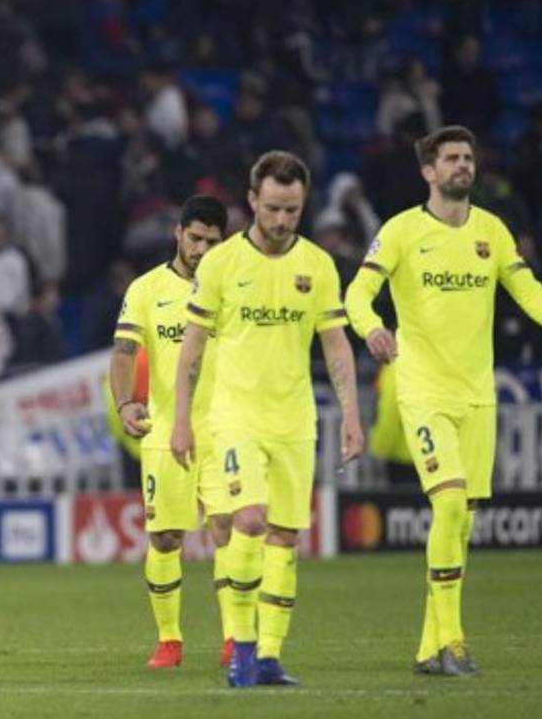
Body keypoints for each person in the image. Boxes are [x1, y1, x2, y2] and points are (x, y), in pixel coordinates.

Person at [344, 126, 542, 676]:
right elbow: (356, 293)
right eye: (451, 158)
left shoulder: (492, 231)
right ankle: (455, 641)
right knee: (447, 504)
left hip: (478, 397)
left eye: (468, 156)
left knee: (461, 521)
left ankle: (427, 648)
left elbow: (528, 290)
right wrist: (371, 327)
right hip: (422, 391)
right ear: (429, 171)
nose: (463, 165)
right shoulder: (400, 232)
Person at [172, 151, 364, 688]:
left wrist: (350, 414)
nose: (282, 221)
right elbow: (191, 351)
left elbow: (335, 345)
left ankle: (272, 656)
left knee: (285, 536)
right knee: (248, 521)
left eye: (293, 210)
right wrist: (182, 421)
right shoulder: (221, 264)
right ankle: (242, 648)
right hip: (235, 417)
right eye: (274, 208)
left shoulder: (318, 266)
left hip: (296, 421)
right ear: (253, 200)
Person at [110, 194, 231, 670]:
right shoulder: (145, 289)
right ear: (178, 233)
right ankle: (169, 640)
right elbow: (123, 352)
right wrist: (124, 403)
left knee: (227, 529)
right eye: (195, 238)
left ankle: (235, 638)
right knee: (165, 538)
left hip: (224, 427)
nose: (202, 249)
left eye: (212, 241)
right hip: (165, 427)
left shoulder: (233, 286)